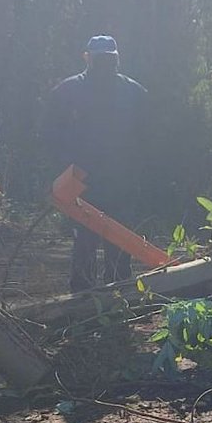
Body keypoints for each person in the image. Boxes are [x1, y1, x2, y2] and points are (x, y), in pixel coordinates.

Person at [47, 35, 147, 292]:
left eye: (109, 59)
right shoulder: (67, 91)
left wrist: (138, 173)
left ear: (117, 59)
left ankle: (120, 299)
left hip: (121, 182)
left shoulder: (133, 92)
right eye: (100, 59)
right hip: (82, 183)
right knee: (84, 245)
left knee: (120, 246)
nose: (105, 64)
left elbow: (147, 137)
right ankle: (82, 301)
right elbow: (50, 134)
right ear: (87, 58)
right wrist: (62, 170)